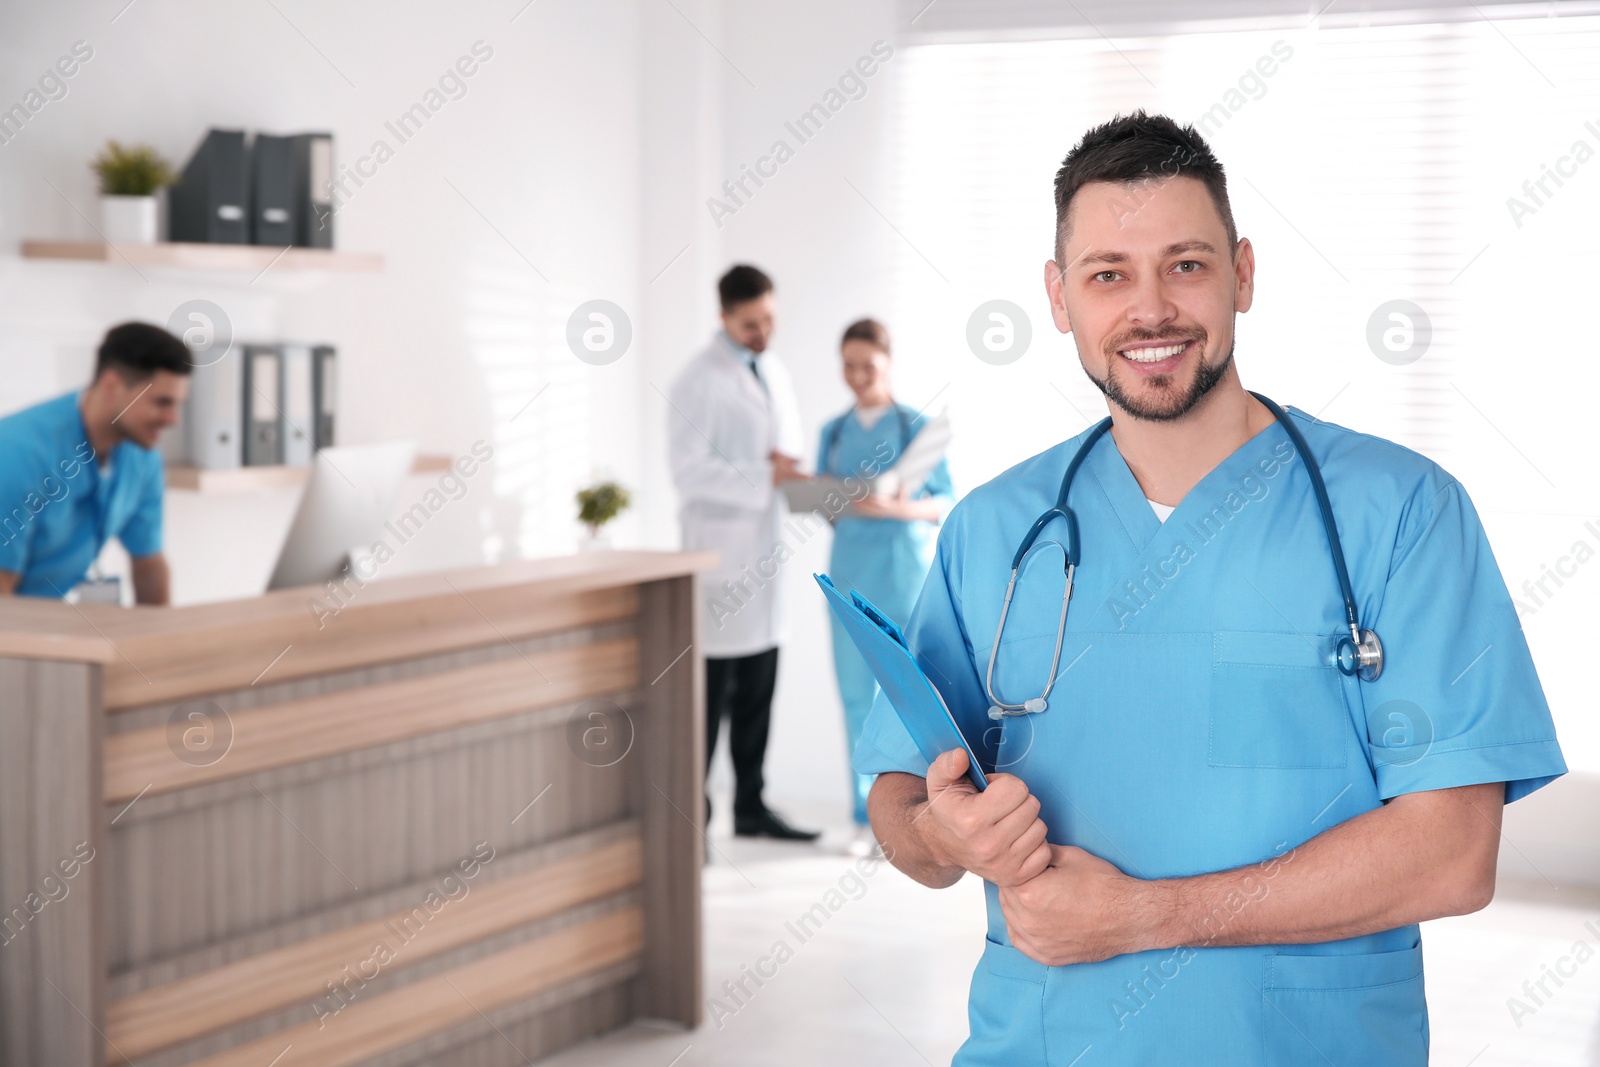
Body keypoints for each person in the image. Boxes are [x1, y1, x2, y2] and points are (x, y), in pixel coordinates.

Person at [854, 111, 1566, 1064]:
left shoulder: (1402, 513)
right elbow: (900, 802)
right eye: (1109, 274)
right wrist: (946, 836)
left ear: (1244, 273)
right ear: (1060, 298)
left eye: (1185, 265)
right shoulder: (993, 528)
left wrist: (1142, 917)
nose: (1151, 310)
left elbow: (1453, 854)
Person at [668, 265, 820, 842]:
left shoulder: (769, 368)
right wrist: (764, 472)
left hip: (763, 551)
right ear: (724, 317)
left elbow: (787, 440)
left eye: (769, 320)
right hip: (718, 558)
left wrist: (788, 466)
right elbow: (687, 471)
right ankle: (695, 815)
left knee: (759, 686)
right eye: (751, 323)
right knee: (710, 697)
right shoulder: (697, 381)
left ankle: (751, 806)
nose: (763, 332)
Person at [817, 318, 953, 856]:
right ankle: (860, 818)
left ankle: (909, 818)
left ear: (888, 363)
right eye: (848, 366)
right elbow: (823, 504)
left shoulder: (916, 427)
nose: (857, 376)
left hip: (902, 573)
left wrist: (892, 507)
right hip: (849, 570)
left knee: (904, 696)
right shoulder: (832, 430)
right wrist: (840, 502)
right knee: (853, 694)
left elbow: (941, 502)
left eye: (867, 366)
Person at [0, 322, 190, 604]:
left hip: (43, 621)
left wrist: (160, 645)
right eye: (162, 402)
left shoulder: (143, 455)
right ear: (112, 386)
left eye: (178, 404)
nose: (173, 420)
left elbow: (148, 564)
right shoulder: (18, 454)